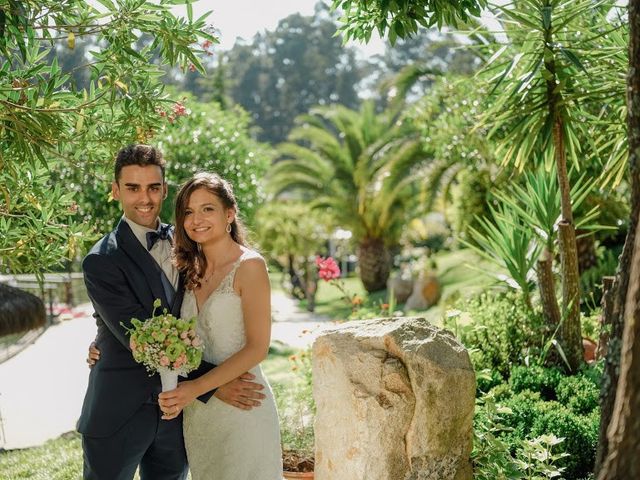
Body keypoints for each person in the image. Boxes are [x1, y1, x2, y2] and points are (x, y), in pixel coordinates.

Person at [80, 145, 265, 480]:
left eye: (153, 187)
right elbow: (142, 337)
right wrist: (211, 385)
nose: (145, 199)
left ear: (164, 189)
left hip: (178, 417)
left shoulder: (190, 244)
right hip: (119, 410)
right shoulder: (101, 260)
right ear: (116, 190)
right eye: (133, 188)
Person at [157, 172, 283, 479]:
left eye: (207, 209)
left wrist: (195, 388)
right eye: (188, 211)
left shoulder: (250, 266)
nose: (196, 219)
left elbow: (257, 348)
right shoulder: (187, 271)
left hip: (244, 407)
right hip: (199, 416)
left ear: (230, 213)